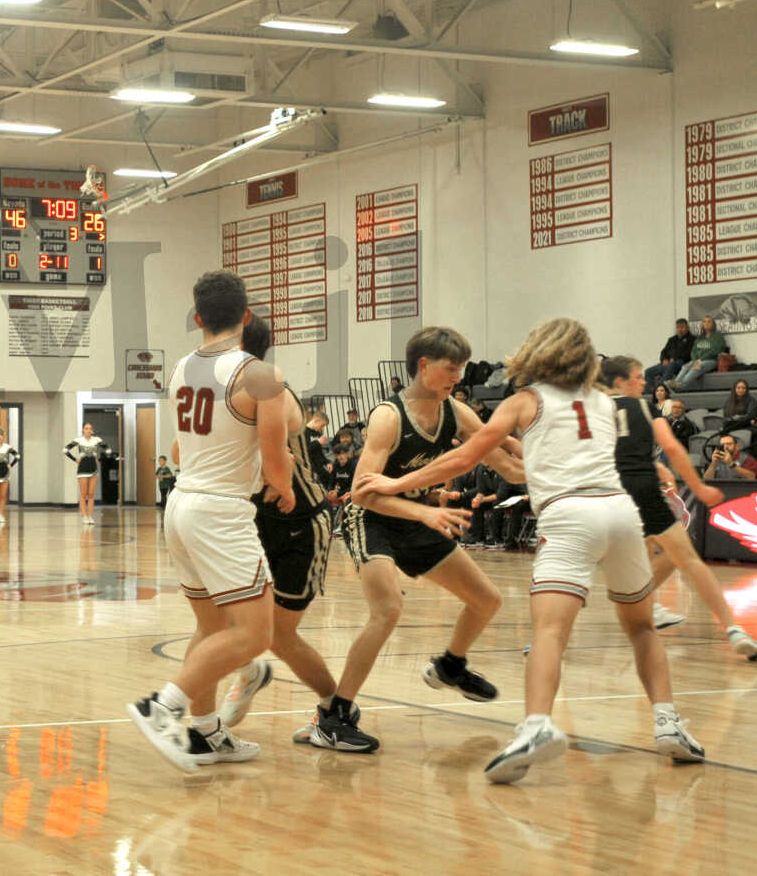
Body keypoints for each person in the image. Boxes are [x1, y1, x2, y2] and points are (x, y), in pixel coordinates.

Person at [357, 320, 707, 783]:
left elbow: (465, 457)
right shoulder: (604, 402)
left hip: (570, 516)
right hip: (621, 514)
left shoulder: (524, 401)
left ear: (539, 353)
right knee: (642, 628)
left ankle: (537, 726)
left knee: (549, 632)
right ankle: (668, 723)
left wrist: (396, 484)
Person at [323, 326, 525, 753]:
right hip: (372, 518)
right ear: (424, 365)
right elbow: (361, 493)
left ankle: (451, 666)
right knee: (387, 610)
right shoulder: (388, 417)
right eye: (451, 368)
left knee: (487, 599)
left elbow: (507, 465)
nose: (458, 377)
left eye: (461, 369)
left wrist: (565, 470)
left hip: (418, 515)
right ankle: (334, 717)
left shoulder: (457, 412)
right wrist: (426, 512)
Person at [127, 271, 292, 770]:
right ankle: (161, 708)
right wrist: (284, 487)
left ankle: (204, 732)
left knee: (211, 626)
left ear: (197, 318)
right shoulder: (258, 374)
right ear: (247, 315)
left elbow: (181, 446)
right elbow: (275, 455)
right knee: (256, 635)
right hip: (219, 511)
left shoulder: (180, 368)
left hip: (181, 504)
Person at [225, 312, 378, 752]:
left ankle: (334, 711)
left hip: (299, 523)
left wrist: (278, 479)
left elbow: (276, 458)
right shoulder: (228, 393)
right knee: (228, 615)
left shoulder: (270, 387)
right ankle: (248, 672)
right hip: (253, 518)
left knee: (279, 634)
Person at [600, 356, 757, 658]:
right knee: (687, 558)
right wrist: (699, 488)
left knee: (613, 561)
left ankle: (548, 635)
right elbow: (673, 447)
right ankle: (733, 629)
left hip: (607, 496)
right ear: (620, 381)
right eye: (637, 376)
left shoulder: (590, 410)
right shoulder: (644, 407)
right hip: (642, 490)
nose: (644, 381)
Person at [65, 423, 108, 525]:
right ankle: (84, 516)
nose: (88, 430)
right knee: (83, 494)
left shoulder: (97, 440)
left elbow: (108, 450)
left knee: (91, 494)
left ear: (92, 430)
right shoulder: (79, 440)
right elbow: (65, 450)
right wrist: (75, 459)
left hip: (93, 469)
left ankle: (90, 516)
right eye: (86, 428)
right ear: (83, 430)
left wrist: (99, 459)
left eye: (90, 428)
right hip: (82, 470)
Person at [669, 315, 725, 392]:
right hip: (698, 360)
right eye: (704, 322)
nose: (706, 323)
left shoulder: (718, 336)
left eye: (709, 322)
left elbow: (715, 351)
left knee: (697, 367)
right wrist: (695, 360)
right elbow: (693, 351)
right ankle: (675, 383)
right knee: (686, 366)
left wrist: (700, 360)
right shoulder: (700, 337)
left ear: (713, 324)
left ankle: (681, 386)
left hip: (712, 360)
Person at [644, 318, 695, 390]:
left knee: (671, 365)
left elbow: (689, 354)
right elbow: (663, 352)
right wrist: (664, 359)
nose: (680, 329)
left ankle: (660, 389)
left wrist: (674, 359)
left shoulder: (692, 339)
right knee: (648, 371)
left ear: (687, 328)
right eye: (678, 327)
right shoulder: (672, 339)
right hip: (668, 363)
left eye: (682, 327)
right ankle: (649, 392)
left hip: (681, 363)